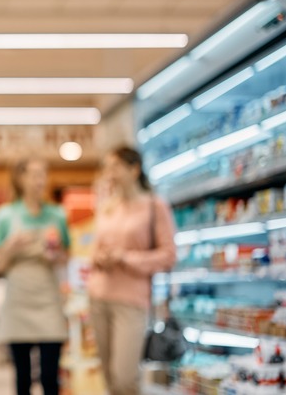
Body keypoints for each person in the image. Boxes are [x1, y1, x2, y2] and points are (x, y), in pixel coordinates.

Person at [88, 146, 176, 395]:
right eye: (107, 168)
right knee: (108, 377)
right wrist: (101, 258)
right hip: (99, 297)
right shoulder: (108, 206)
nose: (110, 173)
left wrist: (126, 258)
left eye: (115, 167)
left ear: (134, 169)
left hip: (131, 300)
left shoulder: (154, 207)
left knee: (125, 378)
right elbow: (95, 249)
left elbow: (168, 255)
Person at [0, 158, 70, 395]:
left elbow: (66, 257)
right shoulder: (5, 215)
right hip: (18, 300)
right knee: (22, 377)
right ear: (20, 179)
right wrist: (11, 247)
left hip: (49, 299)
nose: (39, 181)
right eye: (34, 175)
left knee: (50, 377)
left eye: (43, 174)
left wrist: (55, 255)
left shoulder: (57, 215)